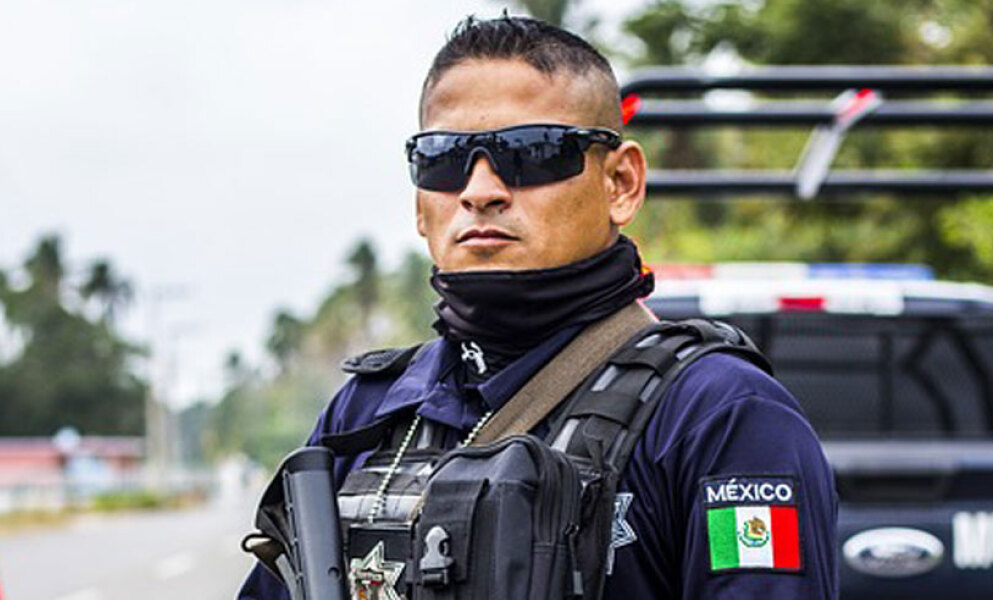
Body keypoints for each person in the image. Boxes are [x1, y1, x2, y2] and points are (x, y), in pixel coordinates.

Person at [238, 14, 837, 600]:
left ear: (621, 184)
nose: (479, 191)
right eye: (444, 160)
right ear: (420, 204)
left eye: (530, 152)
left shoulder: (720, 415)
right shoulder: (367, 411)